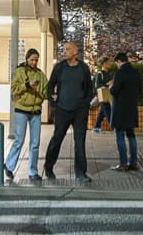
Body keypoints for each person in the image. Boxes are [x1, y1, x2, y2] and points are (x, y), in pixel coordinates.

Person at [44, 41, 95, 184]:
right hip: (62, 110)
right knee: (57, 140)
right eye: (64, 49)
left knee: (80, 142)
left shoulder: (84, 68)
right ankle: (48, 167)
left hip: (79, 111)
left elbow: (89, 89)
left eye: (67, 49)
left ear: (75, 51)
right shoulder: (59, 68)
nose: (64, 51)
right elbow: (50, 87)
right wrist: (54, 103)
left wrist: (84, 105)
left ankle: (81, 173)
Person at [4, 48, 48, 181]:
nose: (34, 62)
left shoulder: (40, 74)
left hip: (35, 111)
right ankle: (9, 166)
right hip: (21, 110)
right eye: (32, 60)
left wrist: (50, 95)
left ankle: (33, 172)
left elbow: (46, 90)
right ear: (27, 59)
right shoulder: (20, 71)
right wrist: (27, 85)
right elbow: (14, 89)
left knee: (35, 143)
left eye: (36, 60)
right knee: (19, 140)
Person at [109, 52, 142, 171]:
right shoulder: (136, 72)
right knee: (131, 135)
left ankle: (123, 163)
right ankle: (134, 163)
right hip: (132, 108)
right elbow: (139, 90)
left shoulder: (120, 73)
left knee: (120, 135)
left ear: (118, 61)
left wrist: (111, 87)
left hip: (120, 110)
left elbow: (114, 91)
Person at [92, 57, 114, 133]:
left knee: (102, 112)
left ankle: (96, 128)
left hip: (107, 95)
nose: (110, 64)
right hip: (102, 95)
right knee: (108, 112)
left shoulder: (108, 74)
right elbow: (97, 86)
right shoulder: (99, 73)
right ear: (104, 64)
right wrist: (108, 84)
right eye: (108, 62)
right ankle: (115, 128)